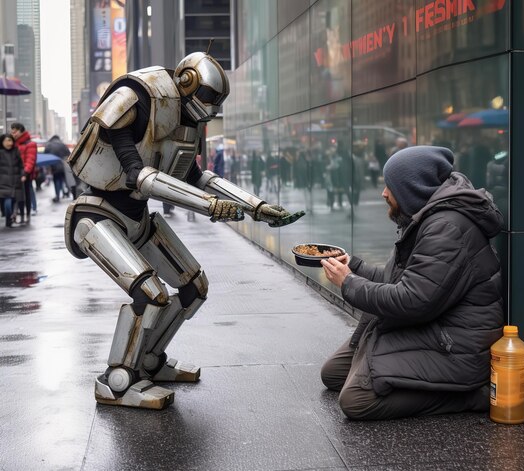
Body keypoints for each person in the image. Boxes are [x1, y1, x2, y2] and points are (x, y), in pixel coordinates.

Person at [64, 50, 304, 410]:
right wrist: (210, 207)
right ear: (187, 82)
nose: (208, 109)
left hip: (138, 220)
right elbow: (140, 176)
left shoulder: (178, 123)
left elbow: (197, 176)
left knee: (194, 287)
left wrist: (257, 207)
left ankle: (149, 361)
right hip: (97, 216)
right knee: (150, 293)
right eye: (207, 99)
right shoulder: (139, 96)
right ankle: (118, 381)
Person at [320, 145, 504, 420]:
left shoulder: (446, 228)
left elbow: (413, 300)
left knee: (355, 401)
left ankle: (469, 395)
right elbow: (398, 282)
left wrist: (349, 284)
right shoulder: (423, 218)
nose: (383, 193)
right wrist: (354, 268)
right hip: (431, 326)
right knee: (333, 375)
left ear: (412, 188)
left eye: (390, 186)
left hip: (454, 343)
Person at [10, 123, 37, 223]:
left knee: (27, 194)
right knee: (17, 195)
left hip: (26, 175)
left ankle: (27, 214)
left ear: (21, 131)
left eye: (15, 132)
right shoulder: (13, 144)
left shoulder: (30, 144)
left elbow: (30, 160)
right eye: (12, 132)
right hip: (15, 174)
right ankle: (18, 214)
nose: (13, 134)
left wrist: (25, 173)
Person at [0, 134, 25, 228]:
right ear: (2, 142)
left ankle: (10, 217)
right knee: (7, 200)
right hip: (3, 181)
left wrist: (23, 175)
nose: (8, 143)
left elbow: (21, 166)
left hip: (15, 180)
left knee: (14, 200)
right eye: (6, 141)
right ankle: (8, 217)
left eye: (10, 140)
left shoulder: (16, 151)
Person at [44, 135, 71, 202]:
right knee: (66, 180)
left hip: (54, 166)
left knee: (56, 180)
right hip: (64, 165)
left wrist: (47, 168)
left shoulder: (49, 145)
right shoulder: (63, 145)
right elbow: (69, 154)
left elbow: (46, 156)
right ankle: (69, 193)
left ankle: (57, 196)